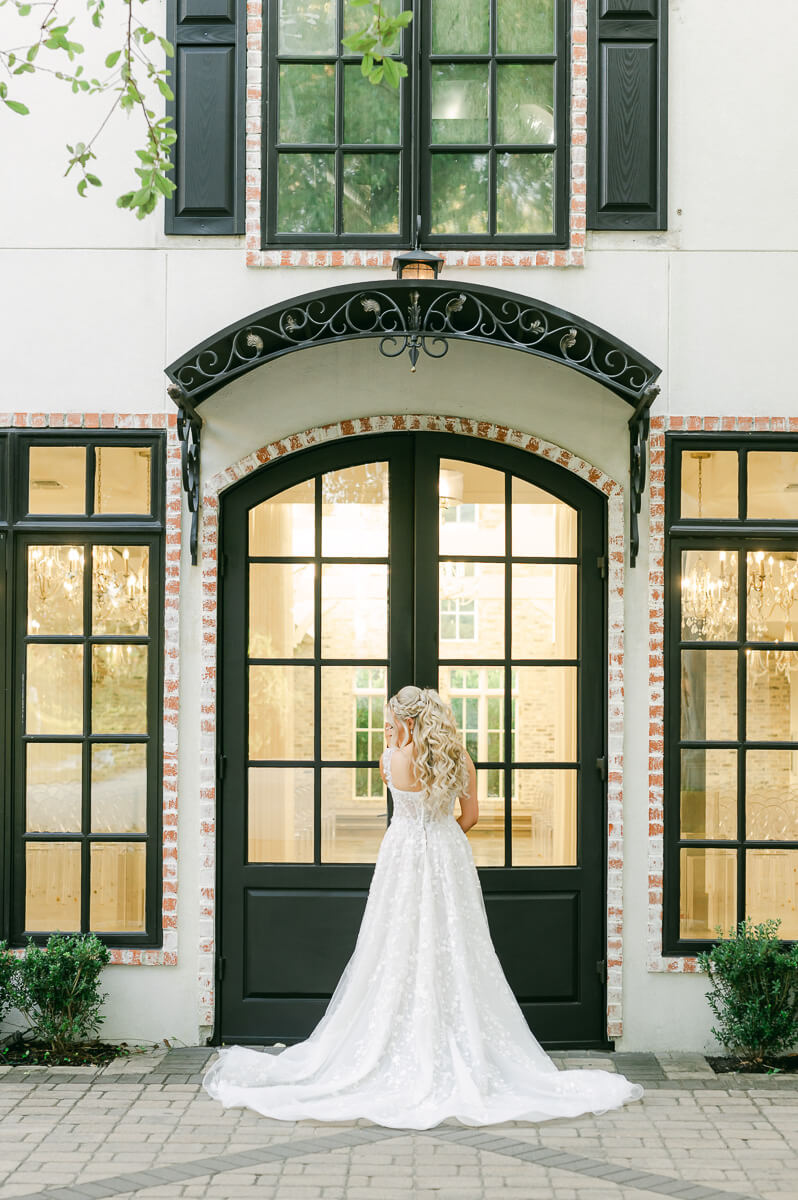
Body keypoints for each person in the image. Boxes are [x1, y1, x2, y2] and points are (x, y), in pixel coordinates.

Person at [202, 685, 644, 1129]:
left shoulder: (390, 760)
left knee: (394, 938)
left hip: (403, 855)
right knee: (455, 940)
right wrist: (441, 833)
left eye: (392, 719)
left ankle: (396, 1035)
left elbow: (396, 793)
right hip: (448, 855)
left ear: (404, 720)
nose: (388, 726)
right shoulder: (459, 760)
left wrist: (396, 755)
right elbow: (469, 818)